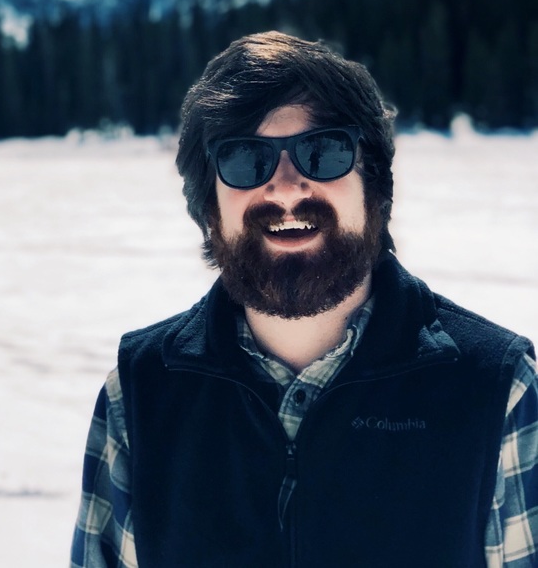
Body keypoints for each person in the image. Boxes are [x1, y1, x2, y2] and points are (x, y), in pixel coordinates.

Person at [71, 31, 537, 567]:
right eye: (245, 159)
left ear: (375, 189)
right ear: (209, 205)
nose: (287, 187)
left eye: (324, 152)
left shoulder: (493, 389)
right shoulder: (140, 396)